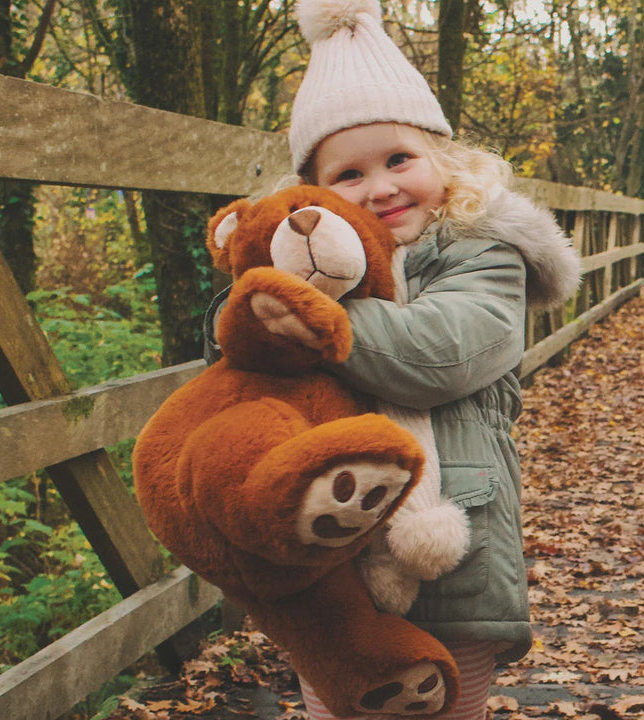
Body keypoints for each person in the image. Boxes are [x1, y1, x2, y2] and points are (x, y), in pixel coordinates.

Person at [205, 0, 582, 717]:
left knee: (447, 704)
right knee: (338, 699)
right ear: (312, 191)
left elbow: (440, 354)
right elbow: (233, 360)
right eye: (348, 174)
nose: (379, 187)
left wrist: (301, 313)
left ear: (442, 159)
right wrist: (256, 300)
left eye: (399, 159)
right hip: (329, 567)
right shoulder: (298, 266)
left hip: (455, 559)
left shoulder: (484, 256)